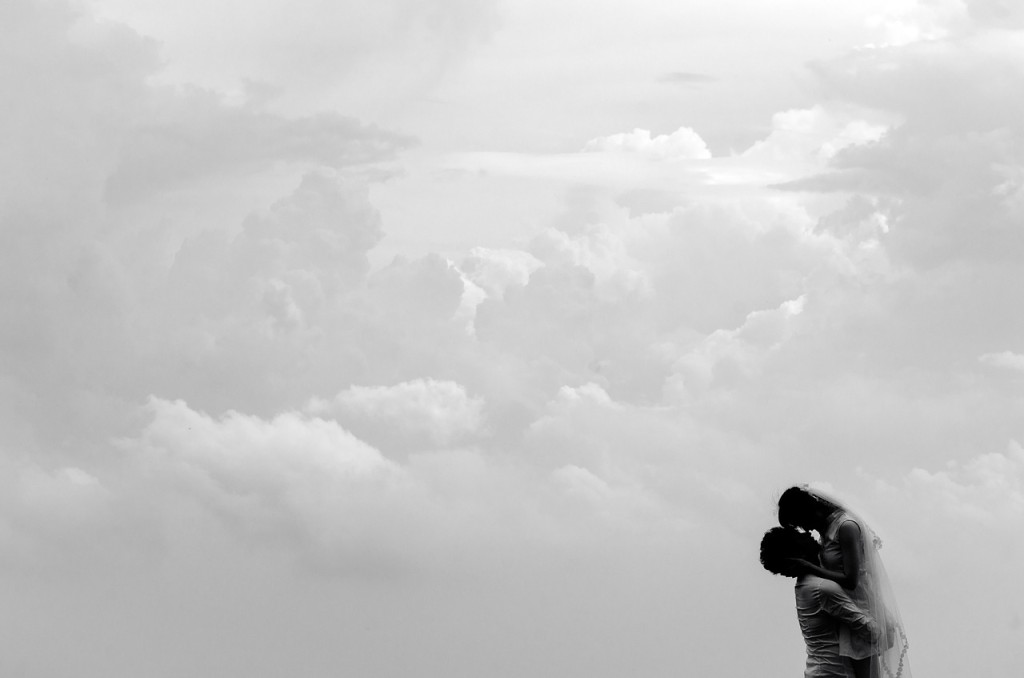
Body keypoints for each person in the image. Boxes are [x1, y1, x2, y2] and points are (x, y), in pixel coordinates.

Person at [777, 486, 911, 678]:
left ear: (808, 511)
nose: (805, 528)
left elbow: (851, 580)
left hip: (861, 607)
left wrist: (809, 567)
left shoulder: (846, 526)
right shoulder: (826, 529)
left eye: (801, 521)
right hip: (845, 610)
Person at [760, 526, 882, 678]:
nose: (809, 534)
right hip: (835, 673)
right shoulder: (822, 588)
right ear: (798, 552)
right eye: (801, 537)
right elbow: (870, 630)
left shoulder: (805, 585)